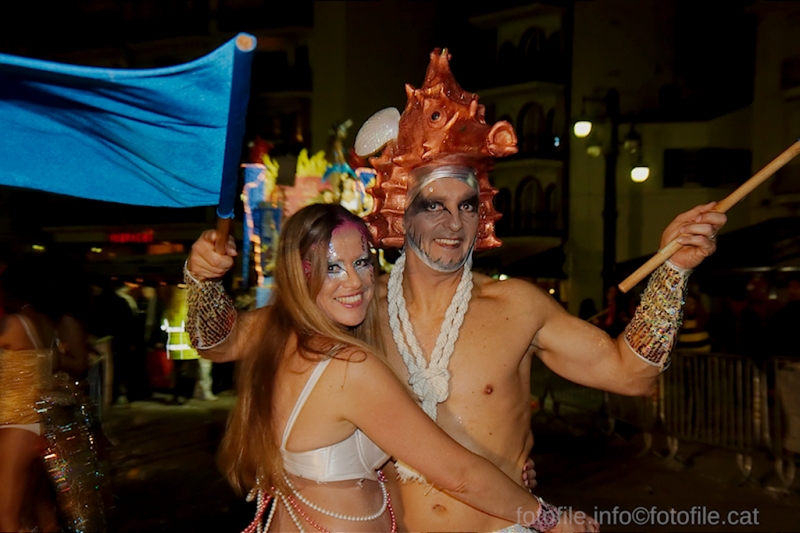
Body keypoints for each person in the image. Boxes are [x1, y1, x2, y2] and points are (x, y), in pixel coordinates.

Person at [347, 48, 727, 532]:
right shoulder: (359, 310)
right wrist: (212, 280)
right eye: (434, 205)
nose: (453, 223)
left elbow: (632, 376)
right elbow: (234, 343)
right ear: (402, 211)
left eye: (467, 205)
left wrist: (672, 270)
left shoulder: (516, 307)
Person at [186, 203, 595, 533]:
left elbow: (214, 343)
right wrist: (548, 519)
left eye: (362, 263)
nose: (355, 282)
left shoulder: (286, 338)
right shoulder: (351, 368)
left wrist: (200, 280)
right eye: (332, 267)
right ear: (300, 274)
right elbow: (458, 473)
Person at [0, 263, 60, 532]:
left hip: (16, 424)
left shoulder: (12, 324)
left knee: (7, 515)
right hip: (36, 424)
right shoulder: (43, 322)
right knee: (40, 509)